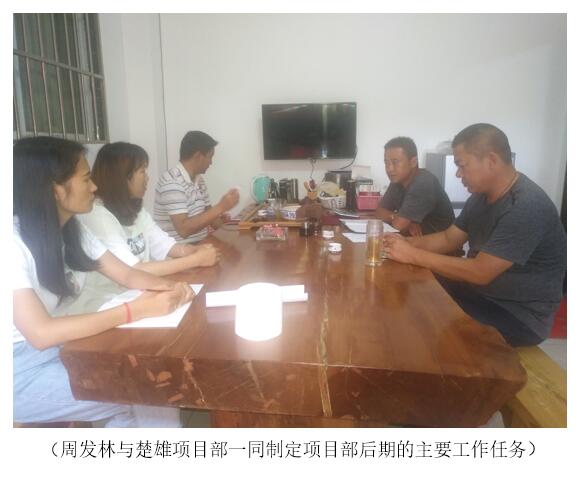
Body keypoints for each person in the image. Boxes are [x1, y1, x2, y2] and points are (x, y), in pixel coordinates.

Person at [13, 136, 194, 427]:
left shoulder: (72, 228)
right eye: (86, 179)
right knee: (145, 390)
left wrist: (173, 288)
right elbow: (40, 333)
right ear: (55, 189)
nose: (95, 187)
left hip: (59, 348)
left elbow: (126, 274)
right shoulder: (11, 243)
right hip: (19, 371)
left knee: (148, 387)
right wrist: (136, 310)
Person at [383, 124, 566, 347]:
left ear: (491, 160)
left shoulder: (526, 206)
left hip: (517, 315)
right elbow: (448, 239)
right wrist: (404, 242)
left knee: (425, 323)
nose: (458, 174)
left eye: (462, 165)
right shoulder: (480, 197)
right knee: (411, 290)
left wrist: (412, 255)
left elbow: (481, 272)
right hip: (480, 294)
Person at [73, 142, 220, 313]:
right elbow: (132, 270)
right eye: (142, 171)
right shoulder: (97, 215)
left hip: (137, 293)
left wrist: (194, 251)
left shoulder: (135, 209)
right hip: (106, 303)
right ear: (122, 177)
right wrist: (195, 260)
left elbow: (166, 245)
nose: (147, 178)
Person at [154, 131, 240, 243]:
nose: (211, 162)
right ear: (198, 156)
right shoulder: (171, 182)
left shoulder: (199, 181)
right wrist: (221, 206)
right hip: (179, 250)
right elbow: (184, 230)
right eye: (210, 157)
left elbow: (212, 219)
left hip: (200, 244)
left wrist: (229, 227)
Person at [376, 136, 455, 236]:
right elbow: (379, 212)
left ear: (413, 162)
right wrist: (396, 217)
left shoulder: (423, 182)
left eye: (395, 162)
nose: (389, 169)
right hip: (416, 239)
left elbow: (398, 225)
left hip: (440, 242)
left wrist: (399, 220)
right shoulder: (397, 180)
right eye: (386, 163)